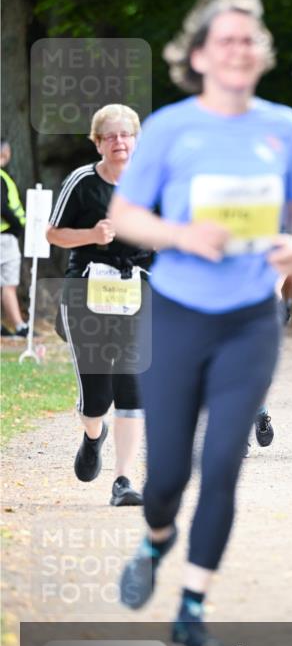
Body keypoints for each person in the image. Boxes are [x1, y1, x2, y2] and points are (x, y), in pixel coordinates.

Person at [110, 0, 292, 646]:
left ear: (262, 55)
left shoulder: (282, 124)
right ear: (198, 55)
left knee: (224, 460)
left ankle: (192, 603)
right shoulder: (169, 128)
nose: (238, 49)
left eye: (249, 40)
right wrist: (179, 235)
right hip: (177, 314)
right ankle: (155, 539)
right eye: (224, 40)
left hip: (249, 318)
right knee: (166, 475)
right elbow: (125, 217)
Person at [46, 105, 150, 507]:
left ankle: (123, 480)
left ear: (137, 139)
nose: (119, 142)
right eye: (110, 136)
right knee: (96, 397)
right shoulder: (82, 182)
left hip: (137, 289)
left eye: (126, 135)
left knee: (132, 384)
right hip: (87, 289)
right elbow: (53, 234)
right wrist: (92, 233)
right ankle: (94, 434)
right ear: (97, 142)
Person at [0, 140, 29, 337]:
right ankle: (20, 326)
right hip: (5, 237)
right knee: (9, 284)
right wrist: (17, 225)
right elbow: (2, 206)